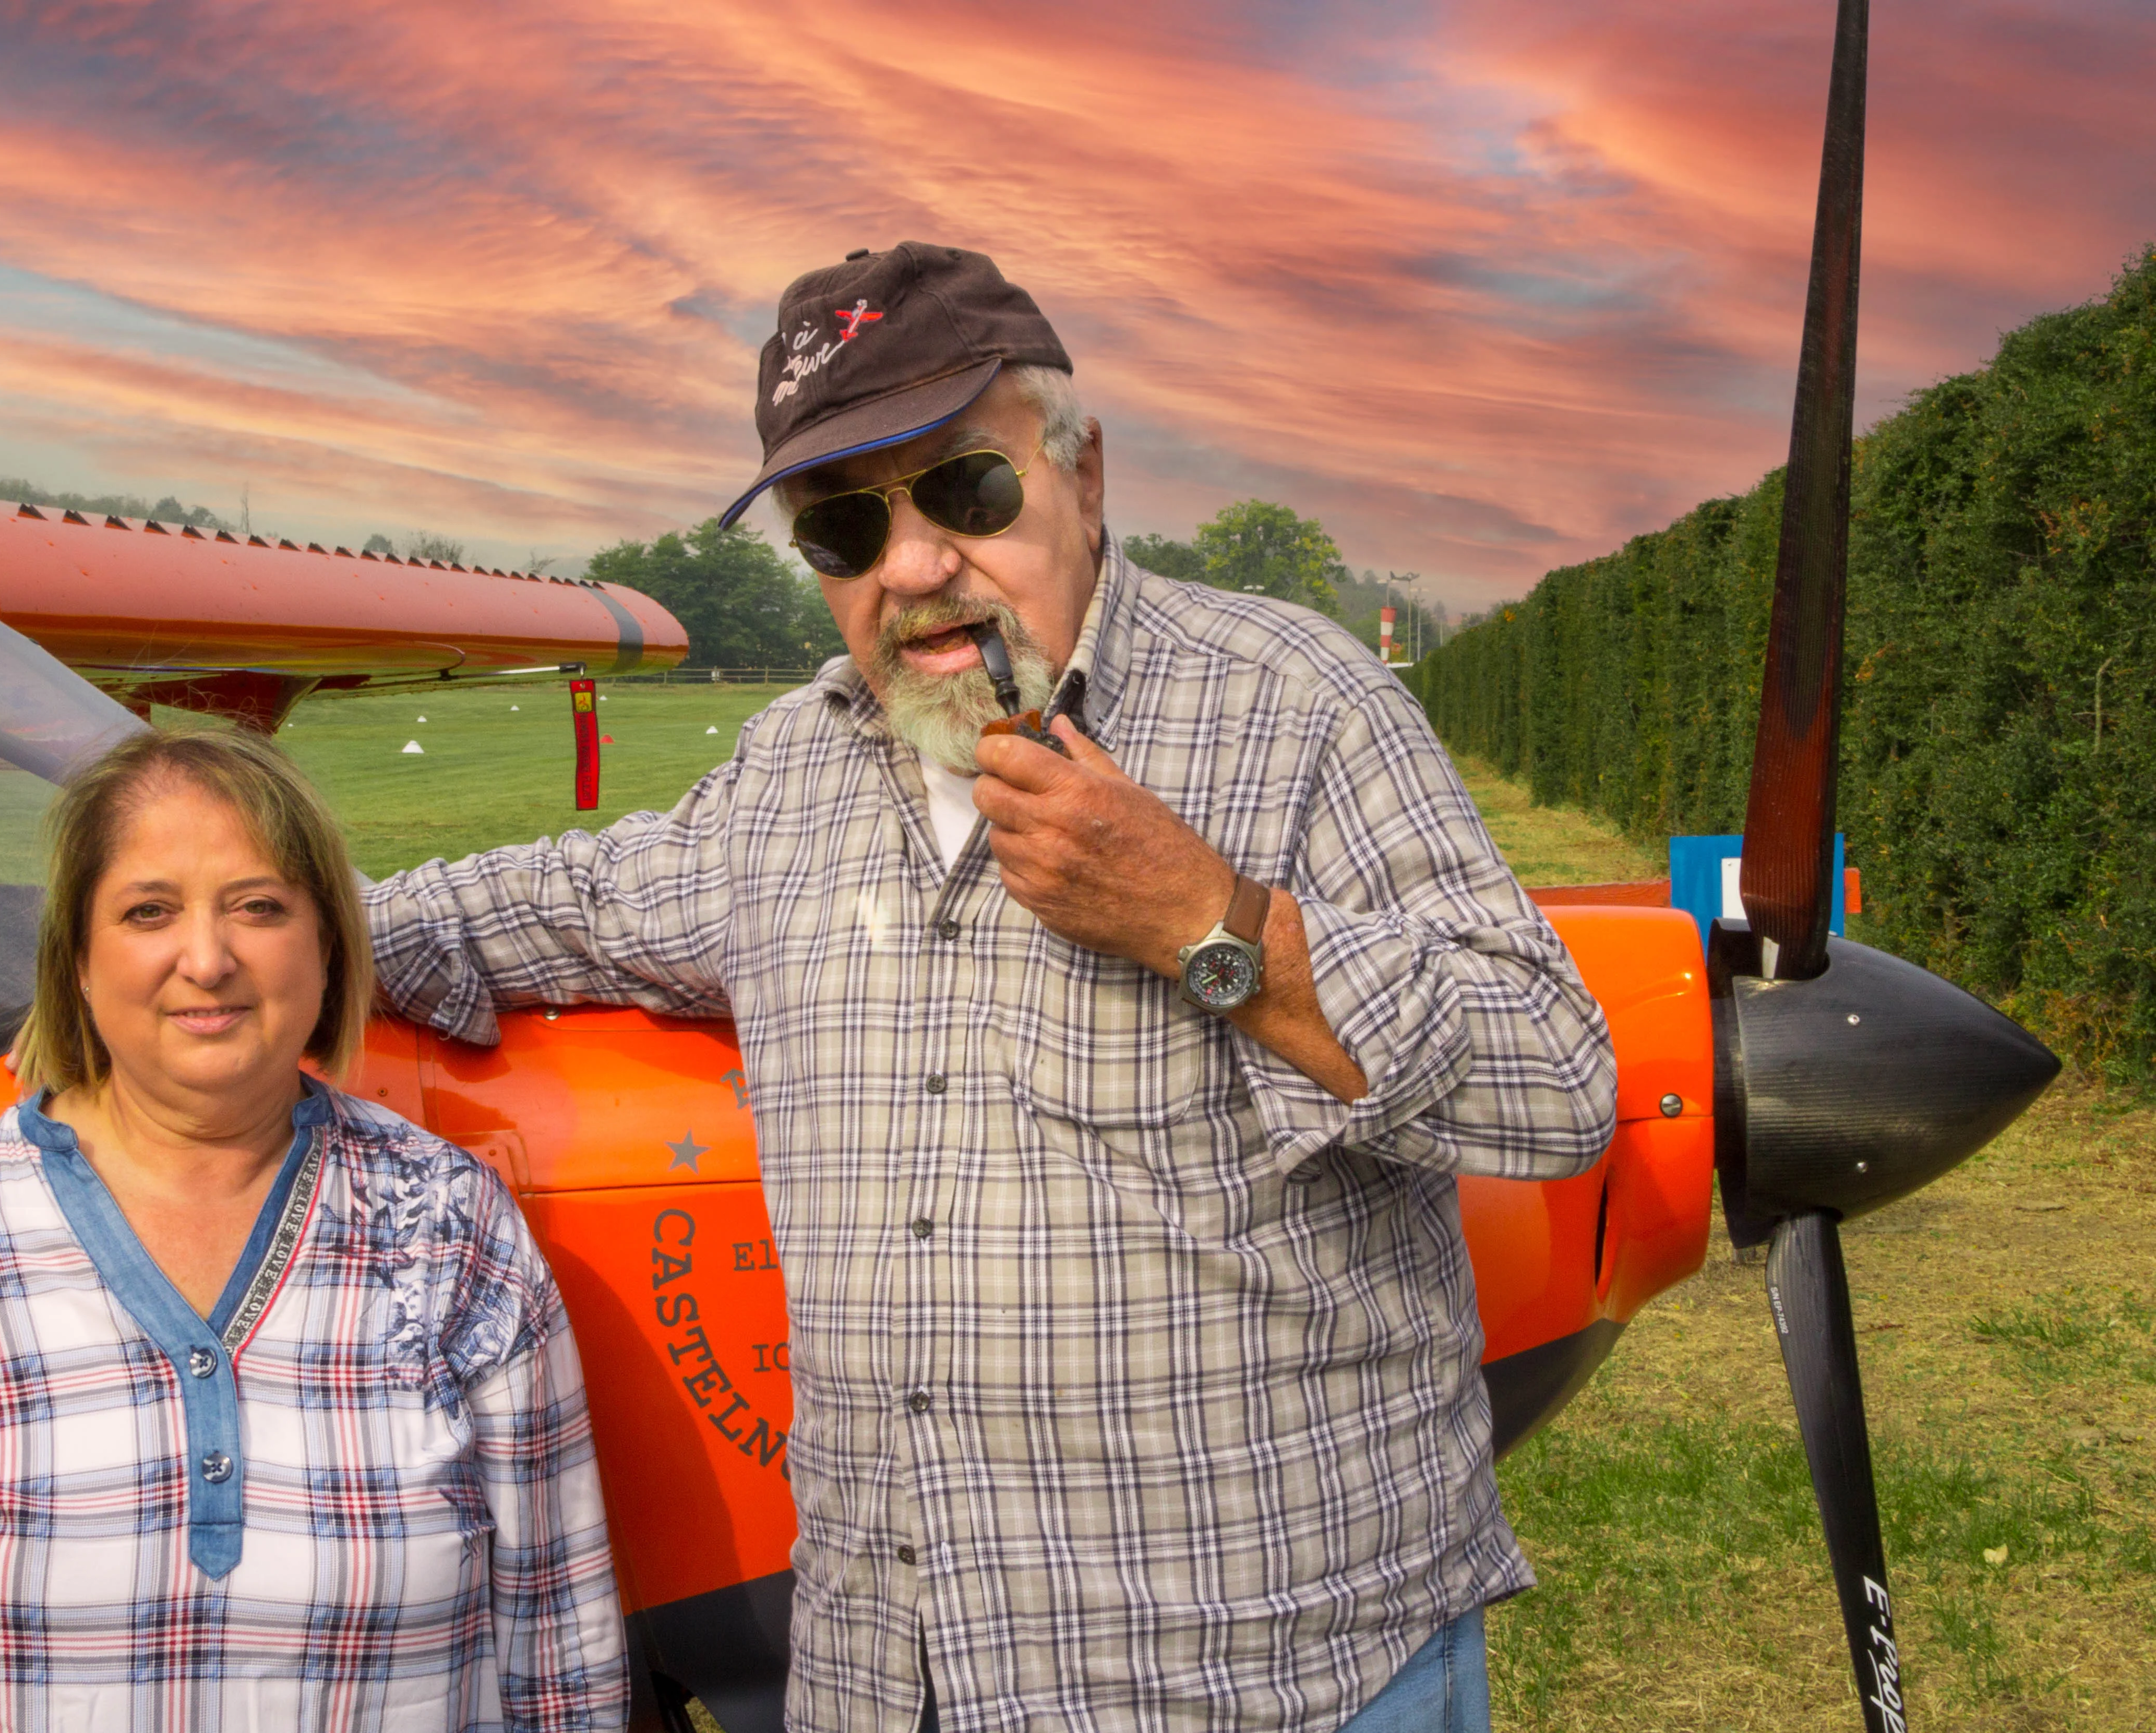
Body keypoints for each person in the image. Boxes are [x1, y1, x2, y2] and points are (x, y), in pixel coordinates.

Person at [364, 243, 1616, 1732]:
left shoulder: (1298, 703)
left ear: (1082, 472)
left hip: (1270, 1684)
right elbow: (537, 907)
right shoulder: (787, 775)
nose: (908, 566)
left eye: (962, 490)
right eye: (841, 528)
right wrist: (231, 928)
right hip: (886, 1683)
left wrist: (1203, 921)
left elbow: (1555, 1076)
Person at [0, 730, 626, 1731]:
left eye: (258, 907)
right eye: (148, 911)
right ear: (77, 959)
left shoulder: (448, 1222)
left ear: (327, 946)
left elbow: (558, 1665)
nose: (206, 960)